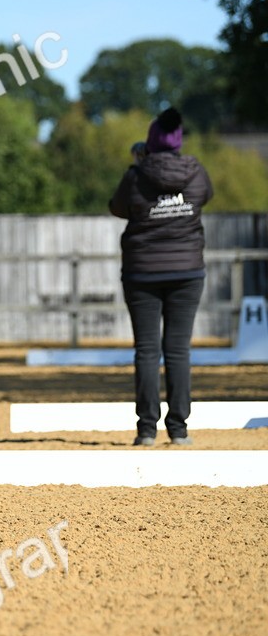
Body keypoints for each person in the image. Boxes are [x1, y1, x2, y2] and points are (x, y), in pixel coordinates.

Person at [109, 107, 214, 446]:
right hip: (187, 271)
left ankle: (147, 430)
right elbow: (205, 197)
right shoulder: (196, 172)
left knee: (147, 350)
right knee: (179, 350)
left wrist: (142, 165)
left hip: (142, 273)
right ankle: (179, 429)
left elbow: (117, 207)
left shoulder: (136, 175)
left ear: (151, 142)